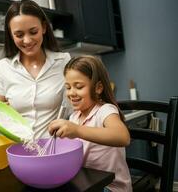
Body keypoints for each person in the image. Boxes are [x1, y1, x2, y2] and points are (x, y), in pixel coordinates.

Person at [0, 0, 71, 138]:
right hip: (19, 151)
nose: (27, 40)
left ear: (44, 27)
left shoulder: (64, 62)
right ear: (11, 34)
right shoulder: (3, 67)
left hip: (55, 149)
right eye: (19, 35)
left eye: (33, 32)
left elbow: (78, 107)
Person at [48, 55, 132, 192]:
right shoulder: (74, 117)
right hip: (87, 183)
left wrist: (77, 130)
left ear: (98, 88)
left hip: (111, 187)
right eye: (68, 87)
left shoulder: (105, 111)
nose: (71, 93)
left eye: (79, 86)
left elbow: (123, 137)